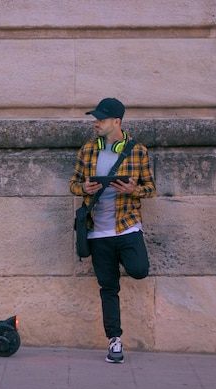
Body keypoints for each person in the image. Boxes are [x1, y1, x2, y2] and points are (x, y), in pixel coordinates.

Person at [69, 98, 156, 363]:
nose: (96, 123)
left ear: (116, 122)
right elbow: (73, 183)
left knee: (139, 270)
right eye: (95, 119)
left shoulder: (137, 151)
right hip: (98, 233)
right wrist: (83, 188)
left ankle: (125, 260)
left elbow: (150, 189)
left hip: (128, 227)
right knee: (108, 288)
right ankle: (114, 341)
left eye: (101, 119)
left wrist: (134, 190)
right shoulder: (87, 151)